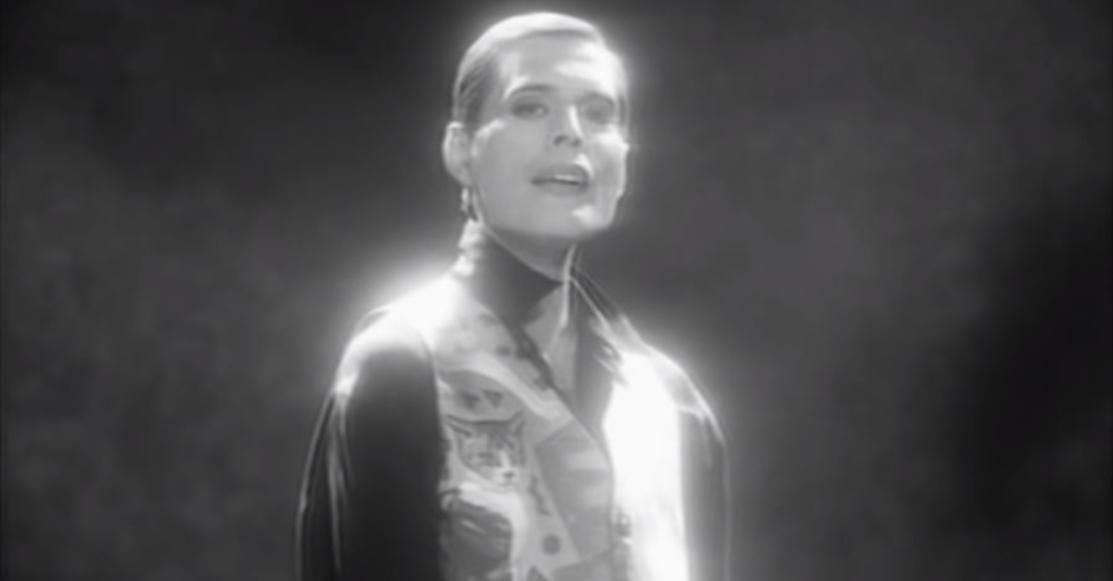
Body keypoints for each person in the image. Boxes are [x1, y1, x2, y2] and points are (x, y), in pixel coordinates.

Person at [296, 12, 730, 581]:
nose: (571, 132)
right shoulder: (403, 367)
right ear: (461, 150)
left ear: (624, 161)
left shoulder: (671, 402)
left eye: (598, 113)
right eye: (530, 106)